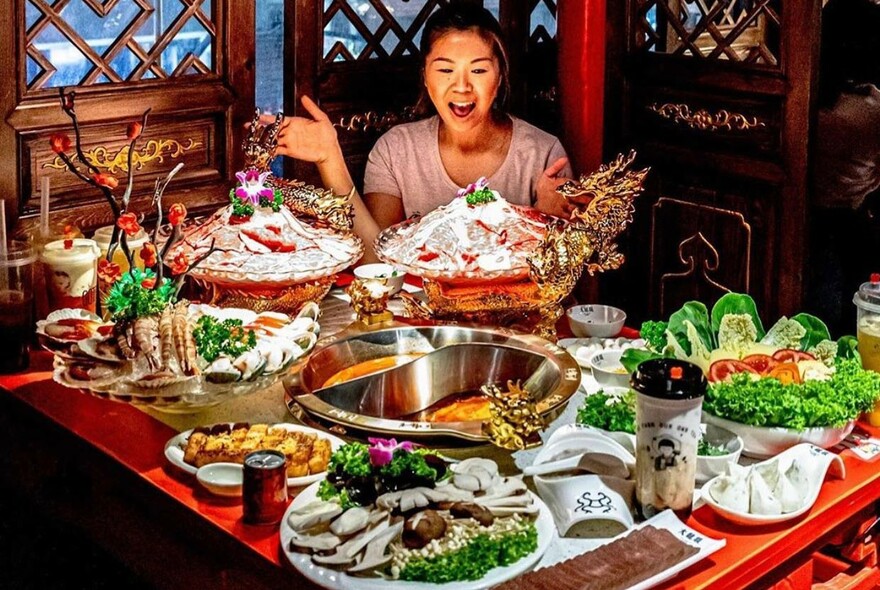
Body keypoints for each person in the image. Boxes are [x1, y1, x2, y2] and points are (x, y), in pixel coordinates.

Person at [264, 1, 575, 261]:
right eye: (445, 70)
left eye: (478, 70)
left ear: (501, 76)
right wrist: (329, 157)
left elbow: (568, 271)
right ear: (425, 76)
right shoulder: (396, 151)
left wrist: (544, 221)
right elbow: (379, 261)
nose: (462, 86)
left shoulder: (542, 154)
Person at [807, 0, 880, 335]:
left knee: (820, 307)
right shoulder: (871, 108)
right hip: (853, 222)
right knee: (853, 314)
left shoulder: (808, 99)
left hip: (807, 221)